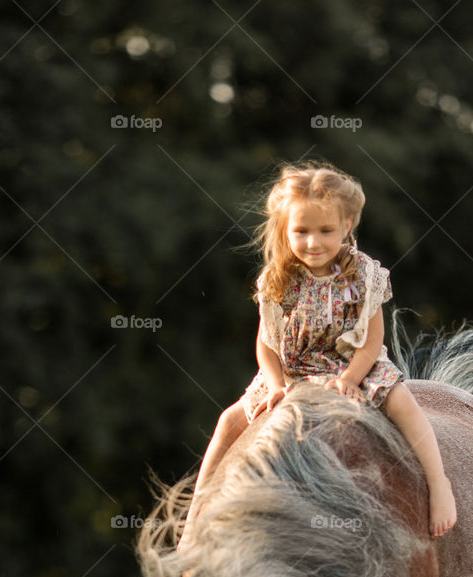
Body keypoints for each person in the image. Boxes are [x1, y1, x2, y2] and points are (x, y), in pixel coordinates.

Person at [183, 161, 457, 541]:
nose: (314, 242)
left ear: (347, 225)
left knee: (403, 405)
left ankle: (438, 483)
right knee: (228, 422)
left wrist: (349, 379)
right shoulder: (279, 278)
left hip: (352, 364)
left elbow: (372, 340)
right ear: (285, 230)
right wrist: (276, 384)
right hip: (293, 369)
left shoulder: (363, 275)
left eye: (326, 230)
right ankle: (197, 511)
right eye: (302, 231)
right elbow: (266, 342)